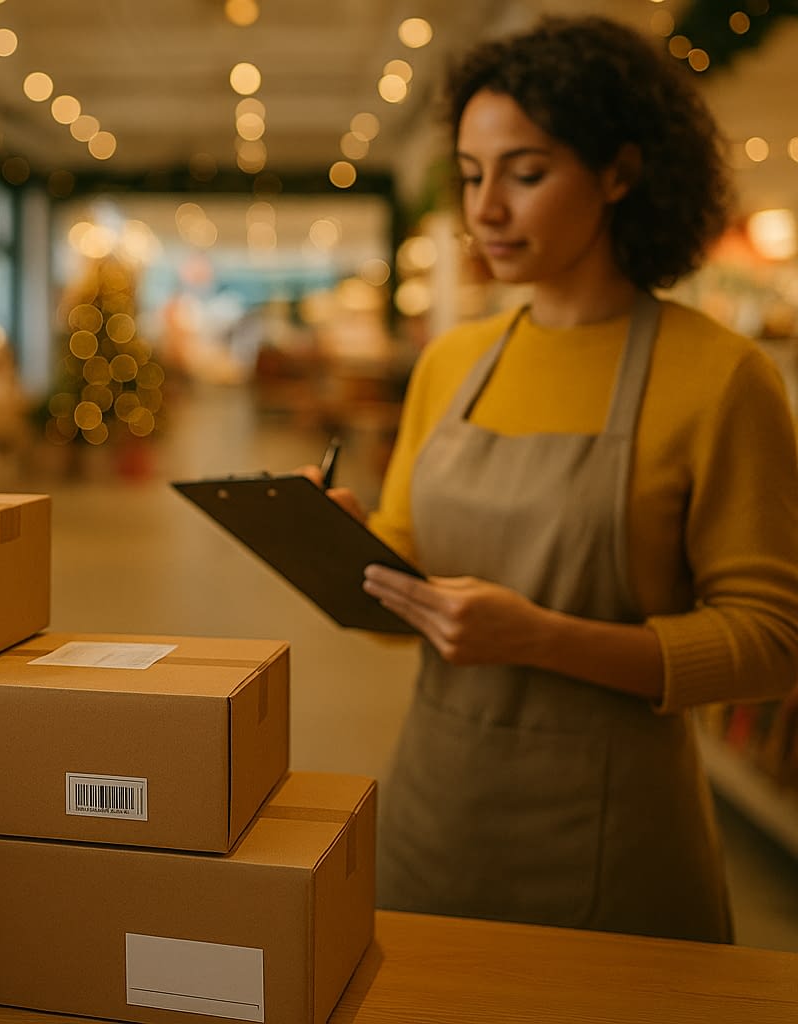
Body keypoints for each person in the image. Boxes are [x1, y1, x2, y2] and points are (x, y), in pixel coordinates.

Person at [303, 15, 798, 943]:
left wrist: (544, 639)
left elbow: (772, 642)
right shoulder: (453, 363)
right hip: (436, 815)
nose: (485, 210)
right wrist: (345, 548)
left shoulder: (722, 376)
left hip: (616, 839)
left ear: (620, 173)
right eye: (472, 175)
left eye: (525, 175)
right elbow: (407, 587)